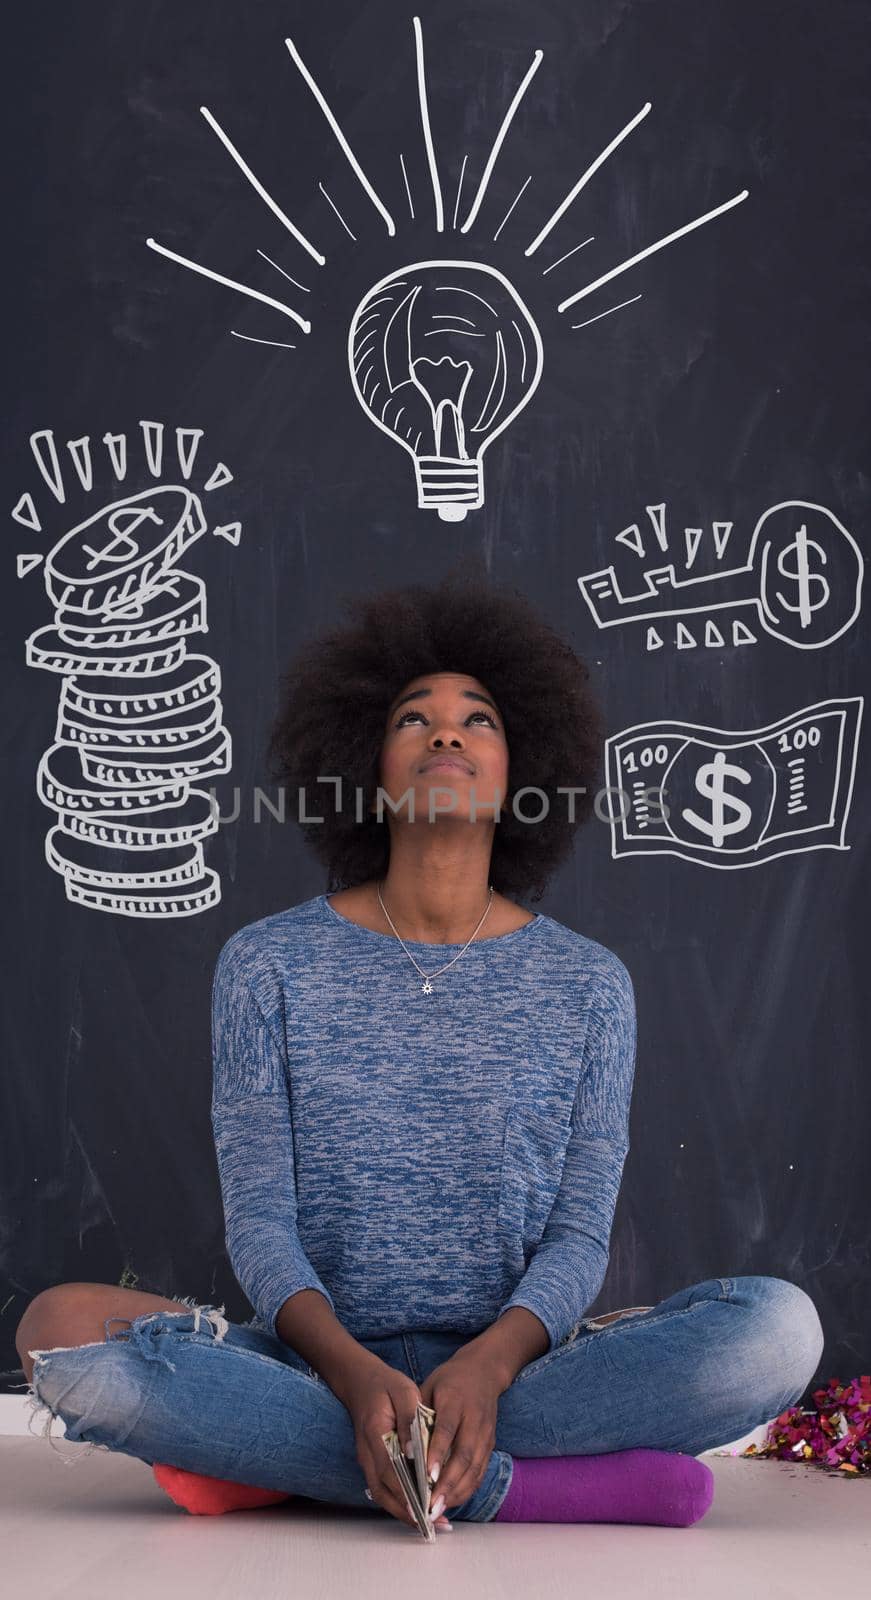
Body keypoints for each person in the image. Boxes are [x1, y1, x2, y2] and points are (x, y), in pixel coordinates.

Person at [17, 562, 824, 1529]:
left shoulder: (590, 984)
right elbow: (262, 1226)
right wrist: (355, 1379)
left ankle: (292, 1464)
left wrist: (487, 1363)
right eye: (413, 718)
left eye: (478, 718)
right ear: (368, 763)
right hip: (319, 1362)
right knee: (54, 1330)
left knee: (776, 1332)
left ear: (523, 769)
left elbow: (575, 1241)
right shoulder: (266, 962)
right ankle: (514, 1485)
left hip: (518, 1369)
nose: (446, 731)